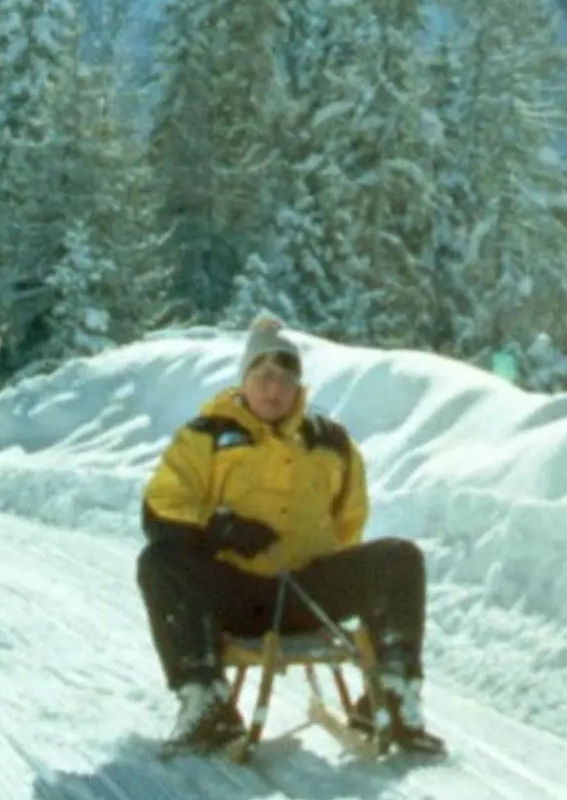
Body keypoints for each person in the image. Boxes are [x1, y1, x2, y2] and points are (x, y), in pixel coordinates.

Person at [138, 314, 443, 757]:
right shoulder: (206, 436)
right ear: (243, 380)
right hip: (234, 596)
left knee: (399, 557)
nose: (274, 389)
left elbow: (349, 523)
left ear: (299, 385)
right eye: (262, 377)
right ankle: (204, 699)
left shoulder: (330, 441)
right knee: (159, 560)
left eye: (285, 378)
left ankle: (393, 695)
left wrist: (328, 567)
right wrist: (219, 527)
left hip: (305, 593)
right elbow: (161, 508)